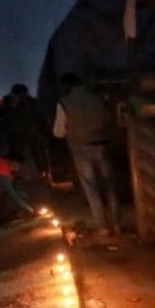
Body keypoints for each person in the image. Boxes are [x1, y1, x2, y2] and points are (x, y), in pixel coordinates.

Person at [53, 73, 121, 234]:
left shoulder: (64, 103)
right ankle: (117, 223)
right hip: (103, 145)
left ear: (65, 86)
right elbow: (108, 118)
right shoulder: (98, 98)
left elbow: (58, 131)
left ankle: (102, 225)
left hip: (81, 148)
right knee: (109, 185)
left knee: (91, 186)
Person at [1, 84, 46, 176]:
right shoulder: (8, 102)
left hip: (27, 133)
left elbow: (38, 117)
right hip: (16, 134)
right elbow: (5, 118)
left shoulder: (31, 103)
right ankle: (15, 173)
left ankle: (40, 172)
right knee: (16, 155)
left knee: (33, 154)